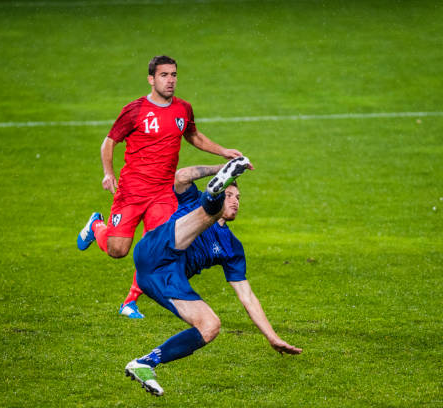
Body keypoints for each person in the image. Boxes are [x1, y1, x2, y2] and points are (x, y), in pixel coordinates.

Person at [77, 55, 249, 319]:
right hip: (132, 191)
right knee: (118, 250)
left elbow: (193, 136)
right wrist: (108, 173)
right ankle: (96, 227)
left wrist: (223, 152)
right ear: (151, 79)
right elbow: (109, 142)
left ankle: (130, 301)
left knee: (157, 249)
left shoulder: (183, 109)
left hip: (163, 193)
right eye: (164, 75)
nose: (171, 80)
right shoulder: (134, 110)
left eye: (174, 75)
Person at [124, 156, 302, 397]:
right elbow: (181, 177)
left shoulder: (232, 247)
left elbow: (247, 296)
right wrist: (220, 168)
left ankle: (145, 363)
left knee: (210, 326)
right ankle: (218, 186)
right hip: (155, 249)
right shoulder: (191, 200)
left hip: (162, 279)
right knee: (207, 212)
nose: (236, 201)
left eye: (238, 197)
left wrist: (272, 337)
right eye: (229, 195)